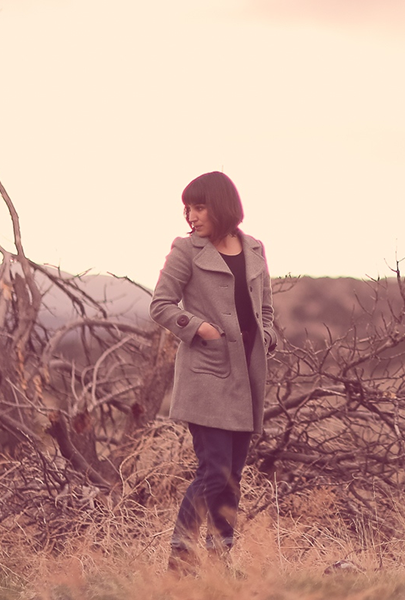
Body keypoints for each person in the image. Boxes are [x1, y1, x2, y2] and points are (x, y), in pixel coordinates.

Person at [150, 171, 277, 573]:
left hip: (247, 376)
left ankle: (219, 563)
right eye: (187, 208)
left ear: (221, 205)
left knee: (232, 476)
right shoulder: (186, 250)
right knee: (216, 469)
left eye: (199, 207)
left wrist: (268, 336)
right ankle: (181, 558)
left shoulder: (254, 248)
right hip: (205, 374)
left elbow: (266, 309)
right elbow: (161, 304)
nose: (191, 216)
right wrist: (197, 327)